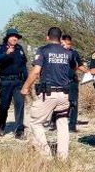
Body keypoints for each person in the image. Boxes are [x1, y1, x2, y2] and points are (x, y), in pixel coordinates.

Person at [20, 27, 79, 160]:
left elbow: (36, 71)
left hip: (48, 94)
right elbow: (74, 66)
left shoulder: (43, 50)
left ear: (47, 37)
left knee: (35, 122)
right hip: (64, 94)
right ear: (60, 38)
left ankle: (46, 155)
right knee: (62, 124)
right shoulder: (68, 52)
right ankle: (63, 158)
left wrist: (25, 87)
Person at [0, 28, 27, 138]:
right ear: (7, 38)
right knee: (4, 106)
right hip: (5, 81)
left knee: (19, 105)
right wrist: (6, 54)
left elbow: (23, 65)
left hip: (18, 81)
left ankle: (19, 131)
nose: (14, 38)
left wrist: (26, 81)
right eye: (12, 36)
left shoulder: (19, 49)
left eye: (16, 37)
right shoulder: (1, 48)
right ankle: (1, 126)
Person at [61, 34, 88, 132]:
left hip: (72, 81)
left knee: (73, 103)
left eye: (69, 44)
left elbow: (79, 65)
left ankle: (72, 126)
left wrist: (89, 72)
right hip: (60, 82)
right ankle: (55, 122)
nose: (67, 46)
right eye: (65, 44)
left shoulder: (74, 53)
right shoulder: (57, 53)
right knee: (59, 103)